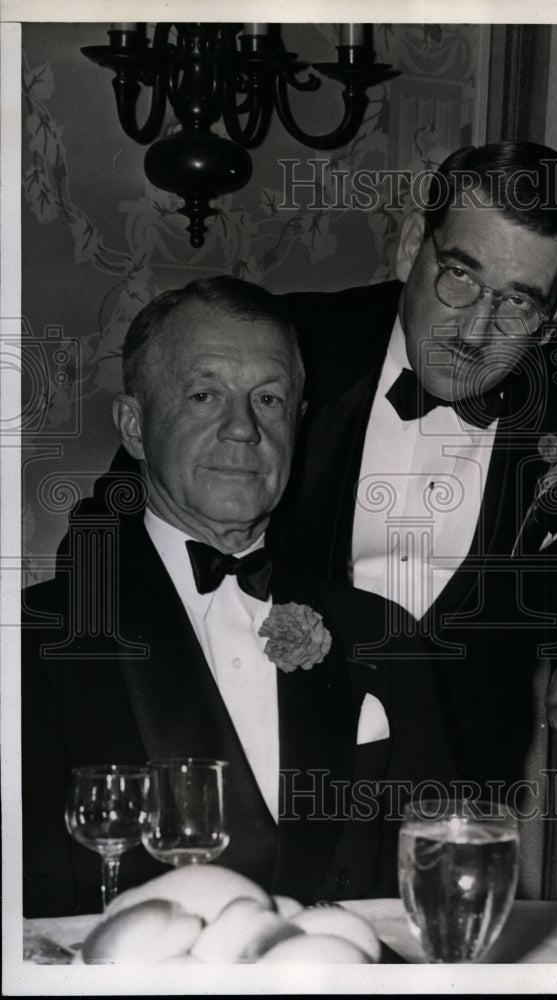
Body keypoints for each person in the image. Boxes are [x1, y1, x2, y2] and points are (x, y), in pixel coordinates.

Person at [21, 277, 454, 917]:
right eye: (204, 395)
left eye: (270, 399)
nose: (244, 429)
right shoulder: (31, 642)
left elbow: (439, 879)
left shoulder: (383, 635)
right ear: (135, 428)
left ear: (299, 426)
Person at [270, 141, 557, 787]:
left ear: (556, 314)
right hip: (267, 743)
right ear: (409, 248)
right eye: (459, 275)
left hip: (457, 772)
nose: (475, 331)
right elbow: (131, 518)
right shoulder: (285, 345)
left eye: (517, 301)